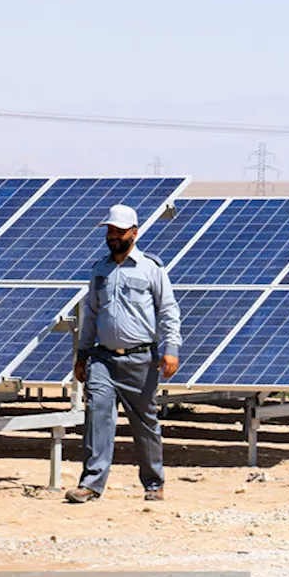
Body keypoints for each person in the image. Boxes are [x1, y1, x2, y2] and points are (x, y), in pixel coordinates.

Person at [64, 204, 181, 503]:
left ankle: (154, 483)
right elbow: (90, 315)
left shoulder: (151, 268)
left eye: (119, 231)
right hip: (102, 358)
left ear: (134, 232)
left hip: (141, 358)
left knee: (144, 423)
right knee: (97, 416)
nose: (113, 236)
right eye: (109, 231)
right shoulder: (99, 269)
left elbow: (168, 311)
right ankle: (91, 484)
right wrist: (82, 354)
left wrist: (171, 349)